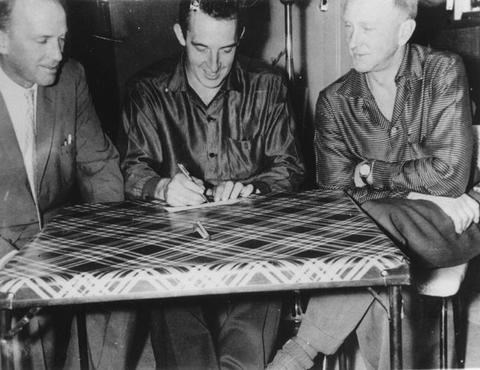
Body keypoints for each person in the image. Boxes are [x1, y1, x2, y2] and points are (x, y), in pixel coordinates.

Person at [267, 0, 480, 369]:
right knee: (378, 271)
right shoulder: (334, 102)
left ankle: (300, 354)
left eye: (368, 29)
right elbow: (335, 197)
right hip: (418, 213)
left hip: (458, 219)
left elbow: (450, 176)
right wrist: (416, 190)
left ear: (404, 32)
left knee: (368, 225)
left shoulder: (443, 71)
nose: (353, 40)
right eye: (349, 27)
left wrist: (370, 172)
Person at [118, 0, 305, 367]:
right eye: (200, 47)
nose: (214, 65)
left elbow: (291, 167)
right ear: (180, 35)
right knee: (170, 300)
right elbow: (133, 170)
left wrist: (254, 189)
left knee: (266, 284)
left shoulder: (268, 86)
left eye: (227, 49)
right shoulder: (148, 91)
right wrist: (162, 187)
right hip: (175, 244)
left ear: (241, 39)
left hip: (253, 239)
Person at [0, 0, 129, 368]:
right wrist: (11, 262)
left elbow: (100, 163)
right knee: (27, 334)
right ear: (2, 39)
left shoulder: (71, 77)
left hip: (56, 241)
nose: (57, 54)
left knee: (119, 299)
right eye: (42, 40)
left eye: (62, 38)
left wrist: (108, 241)